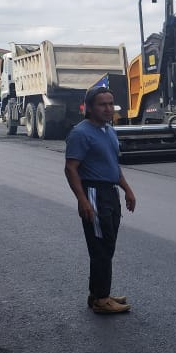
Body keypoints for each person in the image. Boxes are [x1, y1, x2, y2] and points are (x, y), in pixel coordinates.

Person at [64, 87, 136, 315]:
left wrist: (127, 190)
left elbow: (113, 165)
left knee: (108, 244)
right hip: (94, 193)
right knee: (100, 248)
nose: (108, 109)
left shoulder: (108, 130)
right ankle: (102, 299)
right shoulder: (80, 133)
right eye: (102, 104)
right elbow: (71, 169)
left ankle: (98, 293)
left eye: (110, 103)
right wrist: (83, 200)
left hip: (110, 193)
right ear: (89, 107)